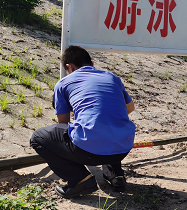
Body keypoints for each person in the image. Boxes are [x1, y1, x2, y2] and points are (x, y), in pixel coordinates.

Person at [30, 45, 136, 198]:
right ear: (91, 65)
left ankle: (79, 179)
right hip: (123, 148)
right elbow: (130, 108)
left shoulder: (63, 83)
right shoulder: (112, 77)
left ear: (69, 66)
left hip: (88, 152)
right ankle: (116, 175)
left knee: (38, 138)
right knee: (108, 122)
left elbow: (63, 124)